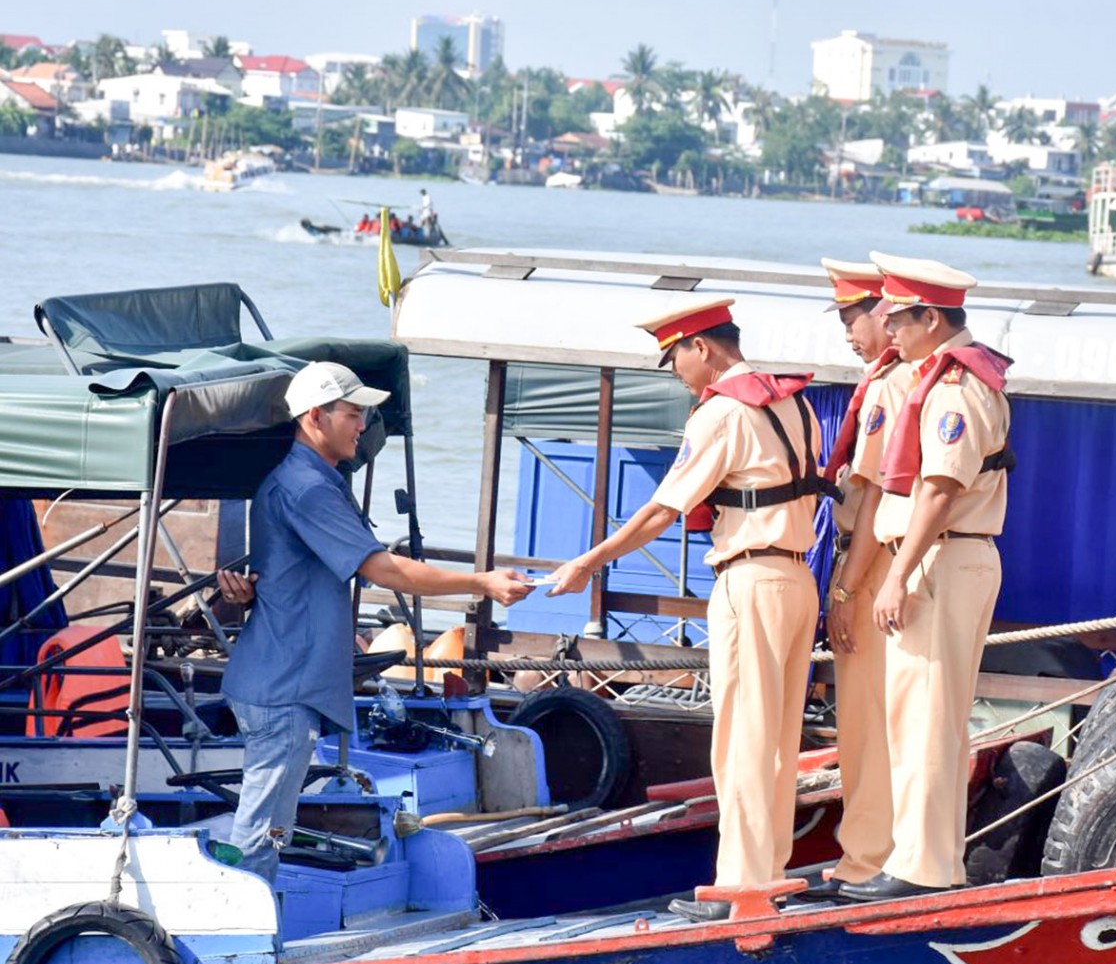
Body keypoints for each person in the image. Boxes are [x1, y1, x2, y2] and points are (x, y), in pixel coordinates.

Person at [545, 298, 830, 922]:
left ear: (702, 346)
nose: (674, 370)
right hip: (796, 576)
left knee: (742, 740)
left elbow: (659, 511)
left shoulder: (723, 412)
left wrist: (587, 563)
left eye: (674, 355)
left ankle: (743, 885)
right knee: (778, 739)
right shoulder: (794, 403)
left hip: (750, 576)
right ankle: (769, 871)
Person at [218, 361, 532, 881]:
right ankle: (239, 934)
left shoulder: (313, 479)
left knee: (275, 825)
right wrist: (482, 583)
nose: (362, 426)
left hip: (282, 680)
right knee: (262, 830)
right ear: (315, 416)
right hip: (281, 687)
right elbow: (384, 569)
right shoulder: (306, 487)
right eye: (353, 414)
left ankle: (253, 915)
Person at [839, 253, 1012, 903]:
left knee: (928, 720)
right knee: (921, 717)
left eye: (900, 320)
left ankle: (923, 867)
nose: (890, 333)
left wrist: (894, 576)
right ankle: (920, 860)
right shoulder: (947, 379)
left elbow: (938, 493)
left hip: (941, 556)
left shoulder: (954, 390)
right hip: (942, 555)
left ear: (931, 319)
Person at [799, 258, 907, 902]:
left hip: (870, 562)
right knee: (874, 719)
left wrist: (843, 587)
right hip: (871, 556)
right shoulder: (887, 381)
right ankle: (871, 852)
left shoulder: (891, 388)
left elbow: (866, 497)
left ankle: (867, 858)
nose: (847, 332)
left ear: (886, 314)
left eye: (851, 317)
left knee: (868, 721)